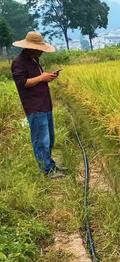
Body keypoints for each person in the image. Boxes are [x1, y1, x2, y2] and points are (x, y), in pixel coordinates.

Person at [11, 31, 66, 179]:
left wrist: (47, 77)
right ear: (31, 47)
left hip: (44, 105)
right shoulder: (19, 62)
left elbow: (37, 79)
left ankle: (50, 165)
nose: (41, 51)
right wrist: (42, 77)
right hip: (34, 107)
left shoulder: (34, 60)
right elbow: (22, 83)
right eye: (39, 49)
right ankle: (47, 170)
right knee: (41, 140)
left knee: (49, 138)